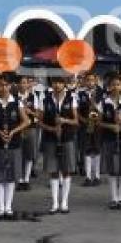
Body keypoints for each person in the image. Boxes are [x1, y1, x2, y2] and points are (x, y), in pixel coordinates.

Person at [0, 74, 31, 219]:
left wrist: (14, 131)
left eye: (6, 85)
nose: (4, 87)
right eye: (0, 85)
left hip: (14, 143)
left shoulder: (17, 102)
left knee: (11, 176)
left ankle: (8, 207)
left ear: (10, 86)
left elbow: (27, 121)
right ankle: (0, 207)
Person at [40, 76, 78, 214]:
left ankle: (64, 202)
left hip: (67, 138)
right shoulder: (45, 99)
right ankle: (55, 202)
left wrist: (64, 120)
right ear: (51, 84)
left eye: (60, 82)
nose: (57, 85)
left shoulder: (71, 98)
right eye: (55, 82)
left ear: (64, 84)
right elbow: (39, 121)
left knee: (66, 170)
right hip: (50, 138)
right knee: (53, 171)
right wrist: (51, 129)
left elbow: (76, 121)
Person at [100, 75, 121, 210]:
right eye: (113, 84)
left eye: (118, 84)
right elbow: (99, 122)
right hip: (109, 139)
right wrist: (111, 126)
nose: (116, 87)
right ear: (109, 87)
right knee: (112, 169)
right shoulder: (104, 102)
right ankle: (113, 198)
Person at [78, 72, 102, 186]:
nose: (90, 82)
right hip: (85, 124)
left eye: (92, 80)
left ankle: (97, 176)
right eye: (88, 80)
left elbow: (104, 109)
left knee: (97, 150)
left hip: (97, 125)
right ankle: (88, 176)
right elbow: (76, 110)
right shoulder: (80, 93)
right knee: (86, 150)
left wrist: (94, 103)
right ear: (85, 81)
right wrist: (83, 120)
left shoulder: (101, 93)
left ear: (96, 80)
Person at [18, 76, 41, 191]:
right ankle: (19, 179)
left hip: (30, 127)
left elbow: (38, 114)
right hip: (17, 128)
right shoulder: (14, 97)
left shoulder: (33, 97)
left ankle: (26, 179)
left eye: (25, 83)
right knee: (18, 154)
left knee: (29, 154)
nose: (23, 85)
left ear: (28, 85)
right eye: (21, 83)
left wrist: (30, 111)